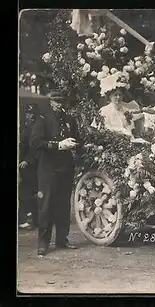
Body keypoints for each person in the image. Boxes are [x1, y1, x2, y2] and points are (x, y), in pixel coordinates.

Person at [30, 91, 82, 256]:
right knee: (46, 206)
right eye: (57, 102)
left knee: (63, 205)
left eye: (62, 102)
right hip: (48, 169)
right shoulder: (43, 119)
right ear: (51, 102)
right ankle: (43, 243)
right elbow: (35, 142)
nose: (60, 105)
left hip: (65, 168)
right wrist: (58, 145)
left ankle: (62, 239)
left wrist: (75, 145)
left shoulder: (70, 120)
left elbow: (78, 139)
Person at [98, 72, 144, 137]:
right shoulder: (104, 111)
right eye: (115, 95)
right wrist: (122, 132)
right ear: (110, 96)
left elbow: (132, 126)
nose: (118, 97)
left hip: (129, 140)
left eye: (120, 95)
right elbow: (105, 129)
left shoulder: (126, 108)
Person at [19, 103, 39, 229]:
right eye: (27, 113)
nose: (29, 116)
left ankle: (33, 220)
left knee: (32, 193)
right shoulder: (25, 127)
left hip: (32, 165)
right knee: (25, 193)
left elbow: (34, 147)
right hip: (24, 165)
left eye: (31, 113)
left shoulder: (35, 128)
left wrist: (27, 160)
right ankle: (27, 218)